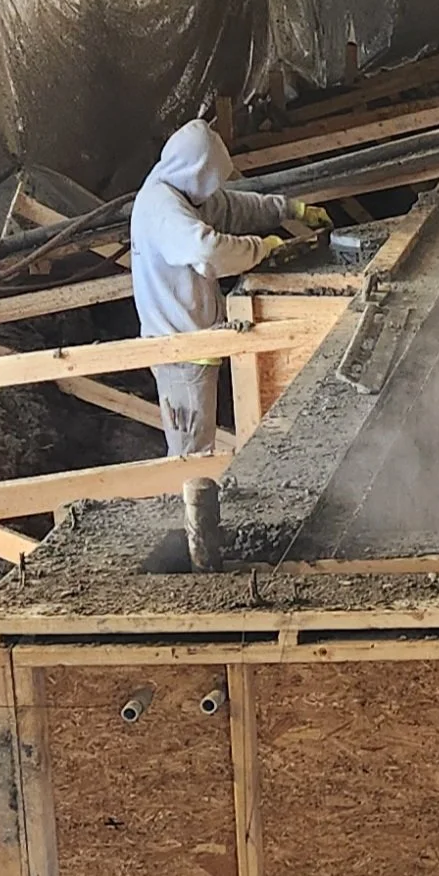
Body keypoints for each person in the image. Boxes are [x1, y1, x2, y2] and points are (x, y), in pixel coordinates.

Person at [130, 121, 323, 568]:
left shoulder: (181, 192)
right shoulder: (163, 209)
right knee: (189, 458)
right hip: (180, 351)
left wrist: (286, 209)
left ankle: (196, 540)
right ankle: (190, 555)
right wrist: (262, 248)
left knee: (197, 448)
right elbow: (210, 249)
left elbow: (229, 209)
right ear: (196, 171)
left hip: (197, 342)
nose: (213, 188)